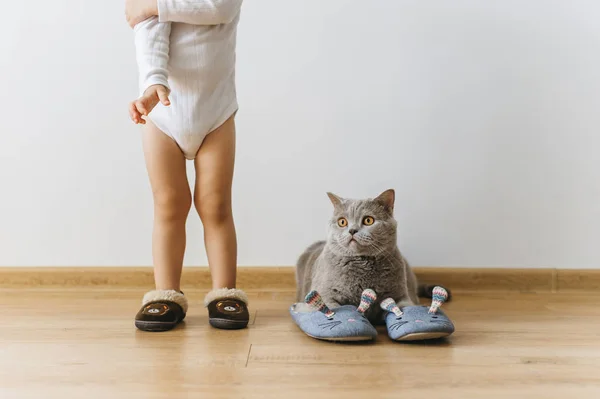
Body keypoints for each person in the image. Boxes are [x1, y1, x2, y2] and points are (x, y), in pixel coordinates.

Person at [125, 0, 249, 332]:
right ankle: (165, 294)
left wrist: (153, 6)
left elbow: (218, 8)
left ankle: (225, 293)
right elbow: (147, 29)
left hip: (216, 113)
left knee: (215, 205)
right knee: (169, 204)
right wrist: (152, 83)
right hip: (164, 112)